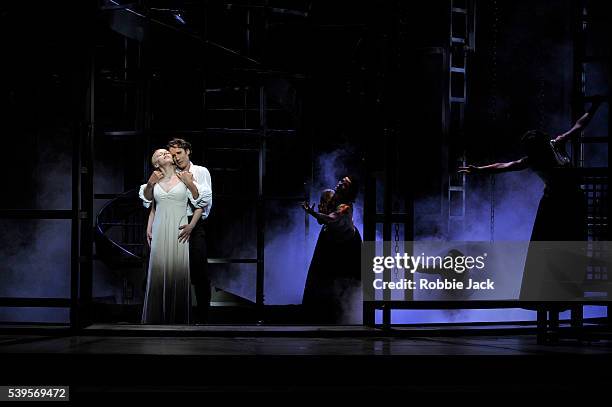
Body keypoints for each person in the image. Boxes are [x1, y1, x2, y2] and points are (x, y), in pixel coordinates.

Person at [459, 96, 605, 299]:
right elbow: (505, 166)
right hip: (553, 204)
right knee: (549, 250)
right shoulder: (534, 159)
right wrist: (478, 170)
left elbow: (579, 126)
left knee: (572, 247)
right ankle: (546, 292)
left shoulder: (556, 144)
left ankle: (569, 289)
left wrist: (594, 107)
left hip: (572, 201)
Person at [140, 138, 213, 323]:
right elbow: (153, 206)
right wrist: (149, 227)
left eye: (178, 153)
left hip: (191, 224)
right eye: (171, 154)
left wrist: (191, 225)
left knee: (197, 272)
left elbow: (202, 203)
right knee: (166, 269)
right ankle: (162, 311)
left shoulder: (199, 172)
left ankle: (202, 318)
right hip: (167, 225)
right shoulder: (164, 177)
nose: (175, 157)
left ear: (188, 151)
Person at [302, 176, 363, 323]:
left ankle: (346, 314)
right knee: (322, 277)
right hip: (330, 241)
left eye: (345, 183)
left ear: (348, 190)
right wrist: (319, 213)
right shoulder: (329, 195)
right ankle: (320, 312)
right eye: (342, 180)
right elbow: (323, 219)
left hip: (348, 246)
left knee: (347, 281)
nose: (340, 182)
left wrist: (312, 212)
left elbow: (331, 218)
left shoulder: (345, 206)